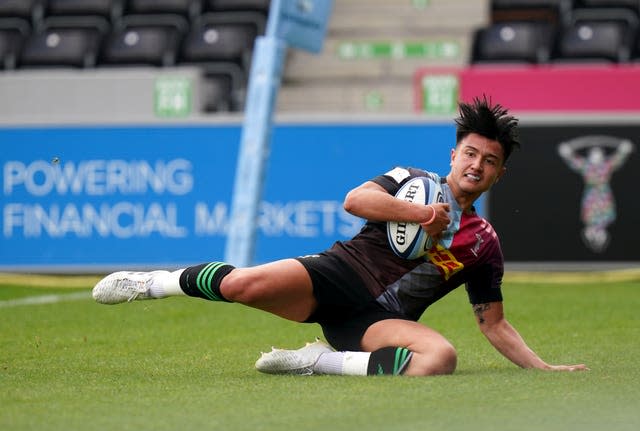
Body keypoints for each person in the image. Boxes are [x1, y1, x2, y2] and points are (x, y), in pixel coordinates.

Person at [92, 96, 588, 377]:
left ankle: (320, 362)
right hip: (336, 274)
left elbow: (493, 323)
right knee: (240, 286)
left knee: (440, 358)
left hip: (377, 322)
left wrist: (544, 369)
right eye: (471, 154)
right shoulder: (411, 178)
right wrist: (421, 214)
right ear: (454, 155)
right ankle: (151, 282)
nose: (478, 165)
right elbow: (354, 200)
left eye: (491, 161)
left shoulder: (483, 243)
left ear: (499, 174)